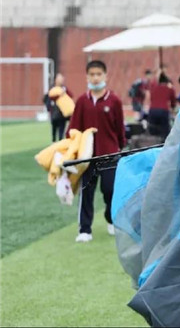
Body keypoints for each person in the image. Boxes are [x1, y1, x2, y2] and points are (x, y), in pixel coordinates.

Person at [67, 60, 125, 243]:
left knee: (110, 190)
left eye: (99, 74)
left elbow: (120, 129)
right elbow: (73, 128)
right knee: (86, 192)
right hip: (87, 156)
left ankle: (111, 218)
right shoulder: (82, 101)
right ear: (87, 77)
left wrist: (119, 147)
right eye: (92, 74)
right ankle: (85, 230)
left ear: (105, 76)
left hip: (109, 154)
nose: (95, 78)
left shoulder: (114, 101)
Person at [44, 73, 73, 142]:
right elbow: (47, 99)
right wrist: (49, 108)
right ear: (55, 80)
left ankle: (60, 142)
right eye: (59, 79)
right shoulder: (52, 89)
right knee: (54, 129)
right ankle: (54, 142)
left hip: (62, 113)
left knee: (61, 130)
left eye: (62, 79)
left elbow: (70, 96)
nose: (61, 80)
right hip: (54, 112)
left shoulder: (64, 89)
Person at [147, 72, 177, 139]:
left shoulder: (153, 88)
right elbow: (173, 102)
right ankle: (163, 142)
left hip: (152, 110)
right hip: (164, 110)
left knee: (152, 130)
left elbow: (151, 98)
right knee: (165, 130)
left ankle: (153, 142)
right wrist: (173, 108)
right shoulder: (170, 89)